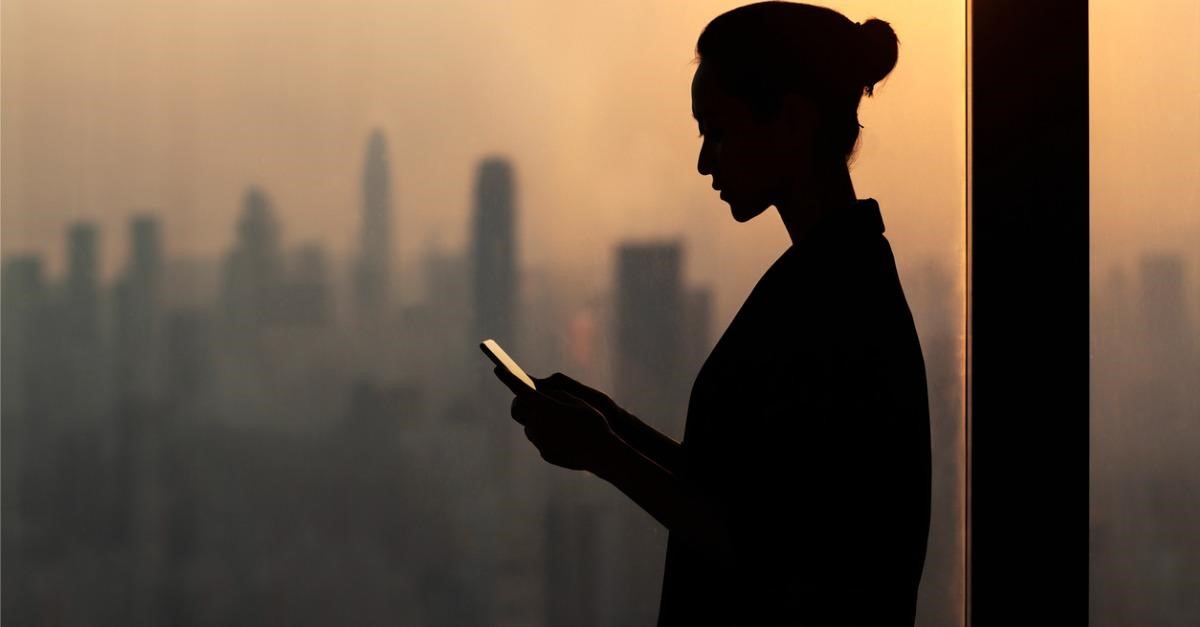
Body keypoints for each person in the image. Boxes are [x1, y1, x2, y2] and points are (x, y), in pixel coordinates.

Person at [491, 2, 931, 624]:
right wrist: (613, 427)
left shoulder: (833, 303)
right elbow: (749, 498)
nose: (705, 160)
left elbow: (778, 554)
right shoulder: (833, 280)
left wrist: (608, 453)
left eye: (717, 129)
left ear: (793, 120)